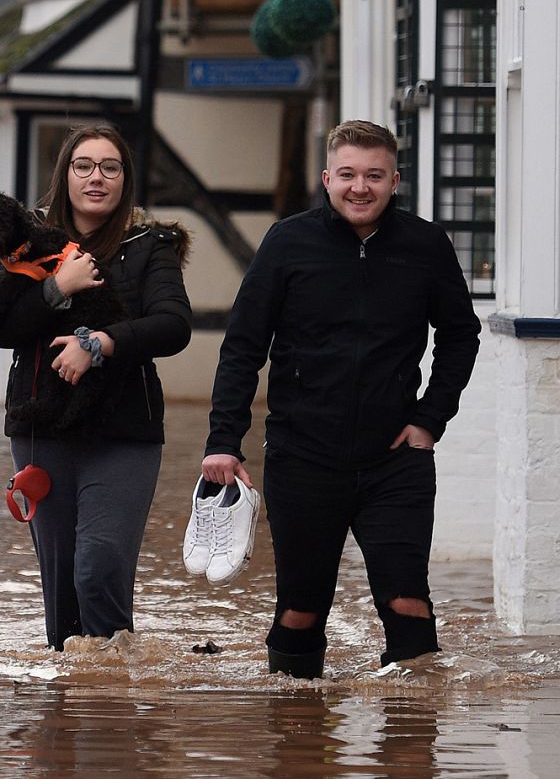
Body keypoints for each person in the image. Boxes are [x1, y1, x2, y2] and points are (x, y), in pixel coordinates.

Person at [201, 119, 481, 679]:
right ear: (327, 179)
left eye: (374, 176)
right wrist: (223, 441)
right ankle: (298, 724)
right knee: (301, 610)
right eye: (348, 174)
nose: (360, 187)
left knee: (408, 601)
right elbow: (244, 346)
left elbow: (461, 335)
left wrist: (430, 420)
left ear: (394, 181)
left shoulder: (426, 245)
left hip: (395, 460)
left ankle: (412, 724)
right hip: (302, 455)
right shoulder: (287, 242)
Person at [0, 125, 192, 651]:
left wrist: (99, 343)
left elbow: (173, 325)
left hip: (124, 432)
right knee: (62, 590)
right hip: (41, 430)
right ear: (65, 176)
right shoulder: (26, 244)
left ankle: (112, 684)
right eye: (84, 166)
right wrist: (57, 287)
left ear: (125, 180)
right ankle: (74, 693)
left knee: (99, 565)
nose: (97, 177)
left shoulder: (151, 247)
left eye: (110, 167)